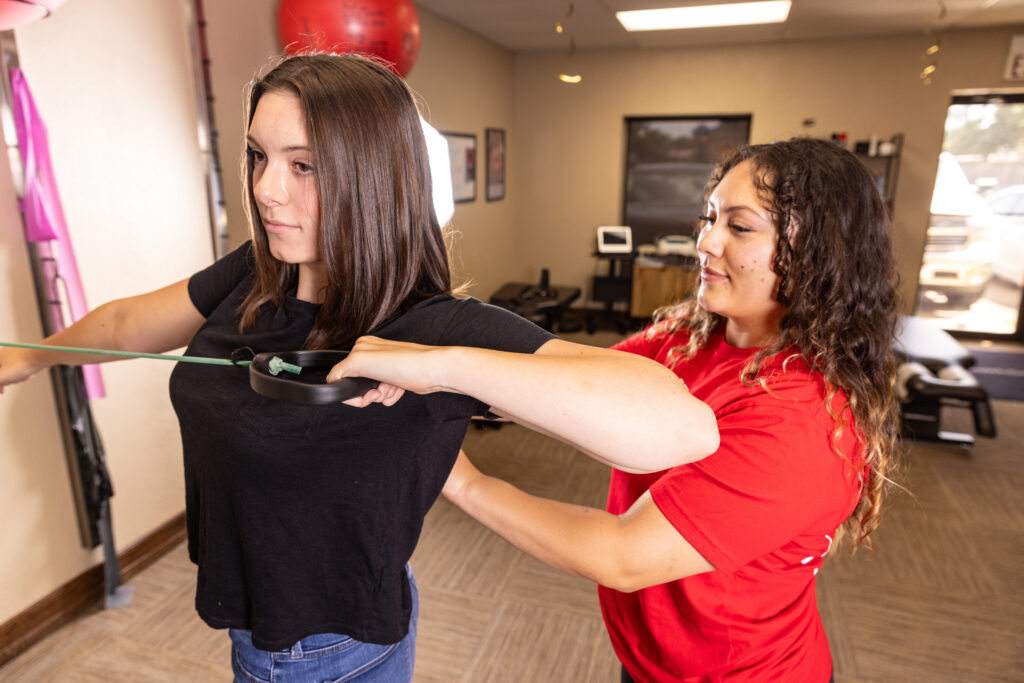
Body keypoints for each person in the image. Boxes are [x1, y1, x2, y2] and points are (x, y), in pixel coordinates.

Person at [0, 52, 718, 682]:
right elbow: (128, 323)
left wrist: (439, 368)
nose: (266, 190)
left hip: (324, 651)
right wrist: (23, 357)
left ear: (372, 177)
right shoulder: (256, 274)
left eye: (302, 165)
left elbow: (680, 429)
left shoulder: (426, 325)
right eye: (259, 157)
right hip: (260, 616)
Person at [331, 137, 902, 681]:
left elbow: (623, 553)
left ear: (819, 253)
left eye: (739, 227)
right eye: (710, 219)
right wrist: (430, 367)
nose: (705, 242)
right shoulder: (692, 335)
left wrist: (463, 482)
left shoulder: (804, 421)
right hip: (650, 657)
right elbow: (571, 388)